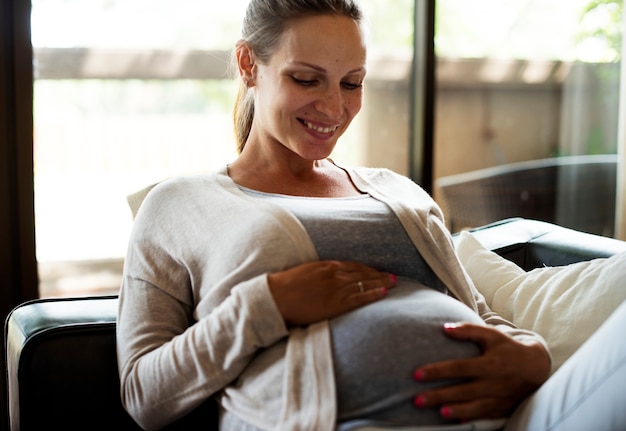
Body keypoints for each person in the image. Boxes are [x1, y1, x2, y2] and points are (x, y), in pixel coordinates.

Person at [116, 1, 626, 430]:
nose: (333, 107)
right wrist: (264, 306)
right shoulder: (179, 204)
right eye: (307, 79)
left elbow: (473, 307)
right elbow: (143, 395)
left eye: (352, 83)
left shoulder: (396, 190)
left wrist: (532, 354)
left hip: (507, 419)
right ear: (249, 64)